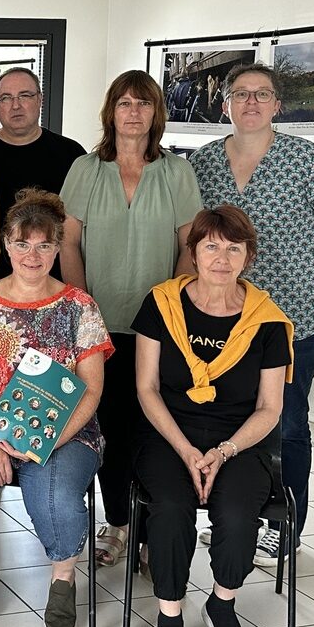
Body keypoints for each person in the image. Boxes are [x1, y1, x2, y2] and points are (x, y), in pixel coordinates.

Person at [190, 62, 314, 564]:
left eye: (261, 94)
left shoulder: (308, 159)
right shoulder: (201, 164)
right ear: (224, 104)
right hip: (225, 319)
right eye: (240, 94)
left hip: (295, 319)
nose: (250, 102)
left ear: (276, 105)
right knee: (233, 420)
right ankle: (237, 517)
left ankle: (284, 528)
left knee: (286, 422)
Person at [0, 188, 111, 627]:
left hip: (62, 431)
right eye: (22, 243)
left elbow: (91, 390)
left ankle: (63, 579)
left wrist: (44, 441)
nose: (32, 254)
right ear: (6, 244)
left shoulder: (79, 307)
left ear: (57, 248)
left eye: (44, 245)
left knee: (56, 498)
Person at [132, 205, 292, 627]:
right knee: (169, 507)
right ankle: (169, 618)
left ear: (248, 257)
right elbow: (146, 388)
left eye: (233, 249)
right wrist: (185, 450)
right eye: (211, 246)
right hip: (169, 434)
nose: (221, 258)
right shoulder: (162, 304)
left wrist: (222, 452)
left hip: (240, 440)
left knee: (240, 514)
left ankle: (222, 605)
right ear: (194, 253)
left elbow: (269, 407)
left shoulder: (267, 321)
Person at [59, 70, 202, 569]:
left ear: (155, 113)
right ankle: (119, 524)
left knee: (152, 429)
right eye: (124, 103)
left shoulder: (177, 173)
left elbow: (190, 246)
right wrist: (82, 305)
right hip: (98, 327)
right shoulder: (85, 169)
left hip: (157, 329)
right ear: (111, 112)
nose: (134, 112)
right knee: (109, 431)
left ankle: (150, 529)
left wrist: (168, 307)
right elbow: (68, 241)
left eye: (143, 103)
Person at [0, 67, 85, 281]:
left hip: (56, 283)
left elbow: (82, 232)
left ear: (40, 100)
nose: (15, 105)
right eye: (6, 98)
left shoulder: (72, 156)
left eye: (24, 95)